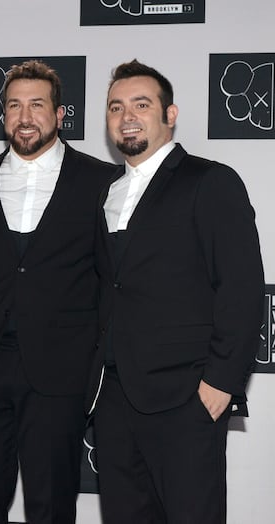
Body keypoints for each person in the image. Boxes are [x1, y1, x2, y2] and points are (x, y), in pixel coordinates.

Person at [87, 59, 264, 523]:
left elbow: (242, 288)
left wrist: (221, 383)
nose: (127, 116)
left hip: (188, 396)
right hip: (115, 397)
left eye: (141, 105)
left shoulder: (210, 181)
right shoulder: (104, 193)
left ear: (170, 115)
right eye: (115, 107)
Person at [0, 60, 115, 524]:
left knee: (51, 506)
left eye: (37, 105)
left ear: (61, 114)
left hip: (60, 371)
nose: (25, 117)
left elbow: (115, 281)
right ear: (2, 114)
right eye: (14, 106)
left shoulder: (101, 182)